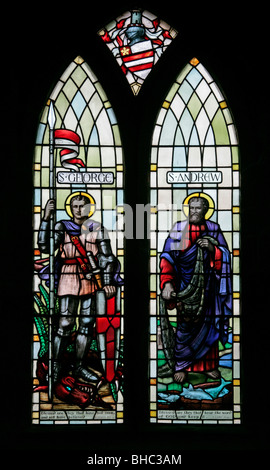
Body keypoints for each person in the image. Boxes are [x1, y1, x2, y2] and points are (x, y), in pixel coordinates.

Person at [38, 194, 117, 384]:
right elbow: (44, 247)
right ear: (70, 207)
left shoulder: (97, 228)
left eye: (82, 206)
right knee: (65, 323)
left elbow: (107, 257)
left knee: (87, 323)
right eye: (75, 205)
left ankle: (79, 366)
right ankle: (55, 366)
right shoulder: (61, 227)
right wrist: (45, 219)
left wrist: (106, 281)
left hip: (91, 278)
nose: (78, 209)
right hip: (68, 276)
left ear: (89, 207)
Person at [160, 195, 232, 383]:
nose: (193, 211)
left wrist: (212, 249)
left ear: (205, 210)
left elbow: (225, 256)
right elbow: (168, 257)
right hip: (185, 287)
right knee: (185, 326)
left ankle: (208, 366)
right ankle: (182, 365)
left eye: (198, 208)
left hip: (209, 287)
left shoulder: (213, 229)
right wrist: (167, 283)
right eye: (191, 208)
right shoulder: (179, 229)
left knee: (209, 326)